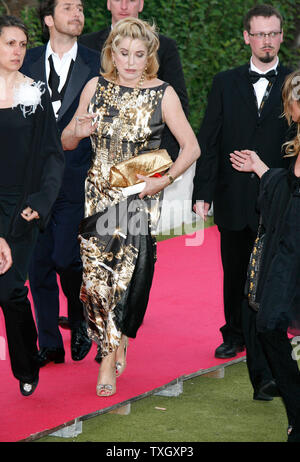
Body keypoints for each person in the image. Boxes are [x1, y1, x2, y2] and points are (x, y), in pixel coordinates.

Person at [61, 17, 200, 397]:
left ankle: (108, 358)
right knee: (94, 282)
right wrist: (77, 131)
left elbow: (191, 147)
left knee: (122, 278)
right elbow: (67, 141)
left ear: (149, 56)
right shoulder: (95, 86)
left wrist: (165, 179)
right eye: (124, 53)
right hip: (97, 195)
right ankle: (116, 337)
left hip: (137, 197)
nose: (130, 61)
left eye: (139, 54)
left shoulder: (163, 94)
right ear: (112, 53)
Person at [192, 4, 292, 400]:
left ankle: (268, 350)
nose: (267, 40)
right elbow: (210, 138)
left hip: (282, 197)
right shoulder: (225, 82)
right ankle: (233, 333)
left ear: (281, 36)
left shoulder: (295, 82)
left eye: (273, 33)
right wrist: (202, 192)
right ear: (246, 38)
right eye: (259, 33)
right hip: (233, 197)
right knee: (235, 272)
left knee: (273, 277)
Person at [21, 0, 101, 367]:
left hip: (76, 178)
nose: (78, 13)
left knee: (66, 258)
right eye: (68, 7)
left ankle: (80, 314)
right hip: (32, 182)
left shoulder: (97, 62)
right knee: (37, 266)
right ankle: (50, 344)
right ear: (49, 19)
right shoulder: (26, 60)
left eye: (81, 7)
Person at [230, 69, 300, 442]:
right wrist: (261, 169)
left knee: (271, 324)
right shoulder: (296, 138)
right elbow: (292, 187)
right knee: (269, 324)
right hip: (287, 243)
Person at [0, 15, 64, 395]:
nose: (18, 51)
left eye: (23, 44)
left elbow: (53, 156)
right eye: (10, 43)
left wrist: (40, 202)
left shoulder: (35, 93)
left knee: (8, 289)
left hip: (21, 208)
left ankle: (26, 366)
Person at [78, 0, 189, 162]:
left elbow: (179, 107)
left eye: (130, 0)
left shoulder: (165, 46)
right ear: (108, 4)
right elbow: (78, 112)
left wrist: (159, 165)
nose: (124, 6)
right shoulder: (85, 44)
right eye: (117, 0)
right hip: (92, 164)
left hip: (147, 167)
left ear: (141, 4)